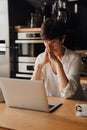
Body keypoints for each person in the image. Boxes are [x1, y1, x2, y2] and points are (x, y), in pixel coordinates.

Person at [31, 18, 84, 100]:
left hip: (73, 106)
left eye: (53, 42)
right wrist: (39, 66)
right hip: (52, 104)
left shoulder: (74, 58)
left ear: (62, 39)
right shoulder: (41, 58)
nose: (49, 47)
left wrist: (58, 64)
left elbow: (67, 94)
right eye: (45, 42)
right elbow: (32, 90)